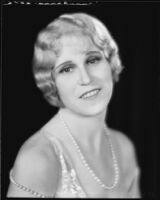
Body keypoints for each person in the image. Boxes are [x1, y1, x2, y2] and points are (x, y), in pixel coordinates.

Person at [7, 12, 141, 198]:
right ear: (51, 81)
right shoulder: (38, 158)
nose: (86, 78)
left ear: (110, 62)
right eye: (67, 69)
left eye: (92, 60)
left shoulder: (123, 147)